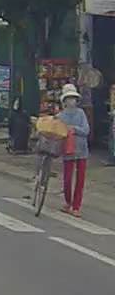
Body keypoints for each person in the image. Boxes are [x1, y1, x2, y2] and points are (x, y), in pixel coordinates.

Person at [57, 83, 90, 216]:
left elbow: (86, 130)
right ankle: (68, 202)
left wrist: (73, 129)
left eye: (73, 98)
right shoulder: (60, 116)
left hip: (82, 150)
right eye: (69, 99)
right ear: (64, 101)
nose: (71, 101)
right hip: (68, 150)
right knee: (67, 179)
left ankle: (76, 206)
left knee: (80, 179)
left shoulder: (81, 113)